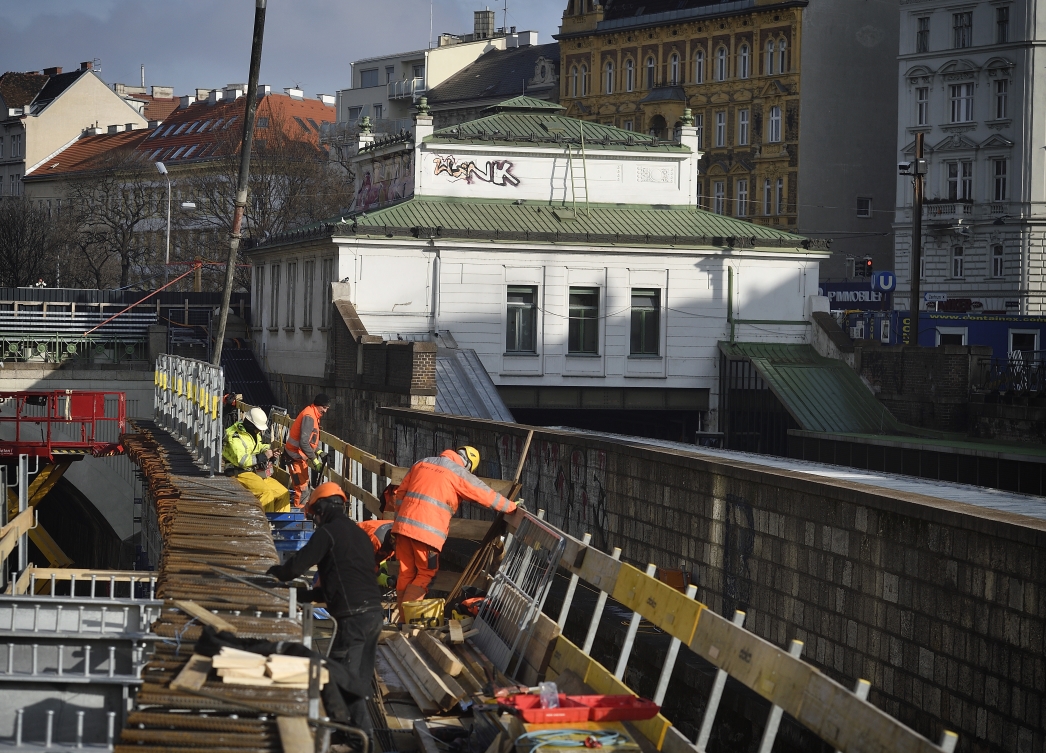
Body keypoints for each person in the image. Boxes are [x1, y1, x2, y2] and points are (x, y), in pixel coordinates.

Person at [266, 482, 383, 737]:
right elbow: (341, 582)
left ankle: (359, 739)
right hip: (373, 614)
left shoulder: (328, 533)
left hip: (355, 619)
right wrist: (305, 596)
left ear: (322, 508)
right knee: (355, 679)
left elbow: (295, 568)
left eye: (315, 514)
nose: (315, 520)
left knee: (341, 677)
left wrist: (276, 573)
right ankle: (345, 730)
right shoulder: (359, 535)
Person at [392, 445, 517, 614]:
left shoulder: (422, 462)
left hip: (402, 528)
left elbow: (400, 494)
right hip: (427, 534)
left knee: (405, 573)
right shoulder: (458, 472)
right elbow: (484, 494)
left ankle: (400, 618)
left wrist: (400, 519)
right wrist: (511, 507)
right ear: (468, 465)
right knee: (425, 574)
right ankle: (406, 621)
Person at [222, 407, 289, 512]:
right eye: (258, 428)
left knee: (283, 493)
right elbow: (241, 461)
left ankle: (280, 525)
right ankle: (264, 524)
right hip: (238, 472)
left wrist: (269, 451)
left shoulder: (252, 434)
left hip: (253, 472)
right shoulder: (235, 436)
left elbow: (258, 447)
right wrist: (263, 456)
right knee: (266, 493)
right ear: (251, 425)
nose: (259, 431)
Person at [284, 394, 331, 507]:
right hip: (294, 457)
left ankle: (302, 515)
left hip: (298, 457)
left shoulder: (313, 415)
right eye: (324, 408)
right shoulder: (309, 416)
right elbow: (303, 442)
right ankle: (300, 519)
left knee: (305, 487)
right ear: (318, 405)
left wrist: (319, 452)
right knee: (302, 489)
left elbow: (310, 441)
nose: (325, 411)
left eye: (327, 408)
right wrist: (315, 460)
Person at [358, 519, 397, 589]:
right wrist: (379, 576)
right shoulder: (376, 540)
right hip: (352, 544)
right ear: (391, 541)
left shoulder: (397, 531)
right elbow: (366, 561)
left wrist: (382, 562)